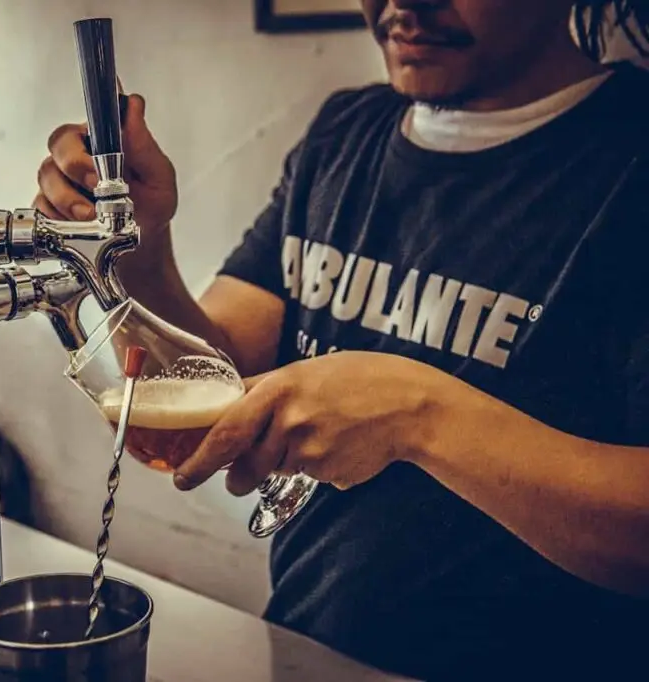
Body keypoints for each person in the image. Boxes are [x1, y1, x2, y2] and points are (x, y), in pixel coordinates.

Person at [36, 1, 649, 679]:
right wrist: (143, 250)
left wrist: (418, 415)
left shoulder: (629, 161)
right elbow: (219, 373)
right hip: (307, 652)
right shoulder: (343, 135)